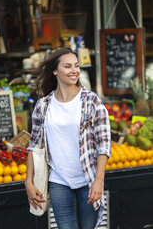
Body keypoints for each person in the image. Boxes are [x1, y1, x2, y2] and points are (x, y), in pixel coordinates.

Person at [25, 47, 111, 229]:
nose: (74, 71)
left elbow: (103, 145)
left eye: (76, 66)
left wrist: (98, 181)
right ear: (55, 71)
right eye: (68, 66)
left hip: (87, 179)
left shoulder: (91, 101)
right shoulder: (43, 105)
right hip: (58, 180)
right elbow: (34, 145)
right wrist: (28, 181)